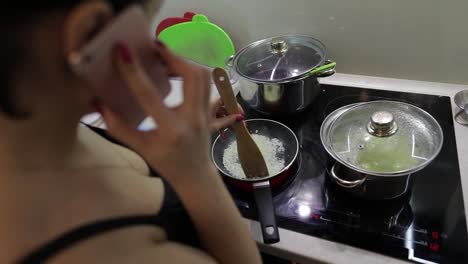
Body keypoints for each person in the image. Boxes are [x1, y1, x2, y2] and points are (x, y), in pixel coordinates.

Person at [0, 1, 262, 263]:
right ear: (90, 31)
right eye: (146, 24)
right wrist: (197, 172)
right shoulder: (119, 255)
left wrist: (184, 144)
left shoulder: (55, 134)